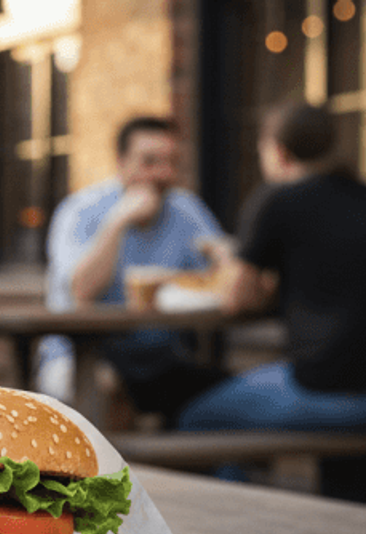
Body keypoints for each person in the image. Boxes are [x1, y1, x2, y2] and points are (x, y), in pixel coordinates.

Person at [178, 102, 366, 504]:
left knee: (198, 419)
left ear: (278, 151)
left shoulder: (278, 200)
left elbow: (234, 299)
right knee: (335, 387)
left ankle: (237, 519)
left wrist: (229, 257)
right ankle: (354, 511)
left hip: (333, 395)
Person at [40, 116, 229, 426]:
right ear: (121, 163)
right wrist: (118, 222)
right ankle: (110, 473)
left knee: (223, 401)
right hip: (81, 356)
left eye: (171, 163)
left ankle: (185, 472)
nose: (162, 174)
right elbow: (81, 291)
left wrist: (223, 257)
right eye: (149, 162)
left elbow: (222, 278)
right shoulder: (82, 210)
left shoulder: (185, 209)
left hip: (159, 357)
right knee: (104, 389)